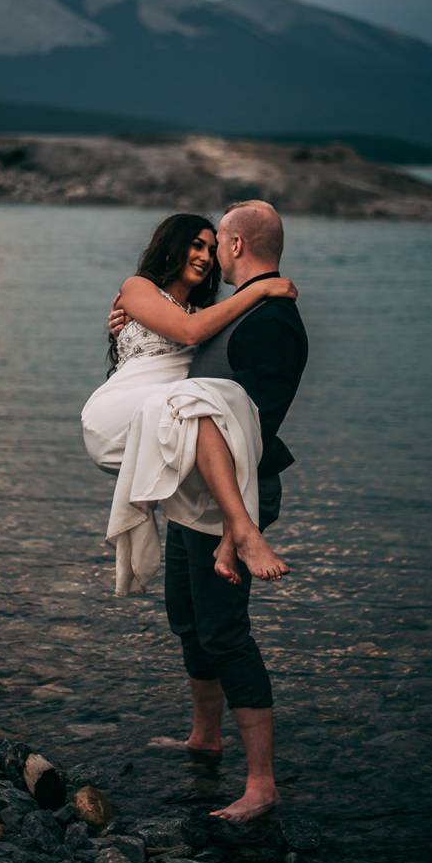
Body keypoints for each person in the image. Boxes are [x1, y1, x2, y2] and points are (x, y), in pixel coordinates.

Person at [103, 201, 308, 823]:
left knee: (225, 633)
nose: (210, 252)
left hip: (238, 495)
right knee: (188, 618)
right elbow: (179, 353)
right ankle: (204, 737)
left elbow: (257, 419)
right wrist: (129, 333)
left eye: (216, 240)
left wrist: (234, 523)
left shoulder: (271, 318)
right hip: (197, 492)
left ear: (237, 244)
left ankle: (262, 784)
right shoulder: (230, 312)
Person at [82, 212, 297, 594]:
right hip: (121, 409)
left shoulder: (208, 313)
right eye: (196, 245)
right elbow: (187, 331)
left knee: (224, 408)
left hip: (168, 412)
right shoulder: (137, 288)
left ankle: (233, 537)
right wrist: (260, 290)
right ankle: (245, 533)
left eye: (213, 249)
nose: (205, 256)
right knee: (201, 404)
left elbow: (201, 331)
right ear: (171, 247)